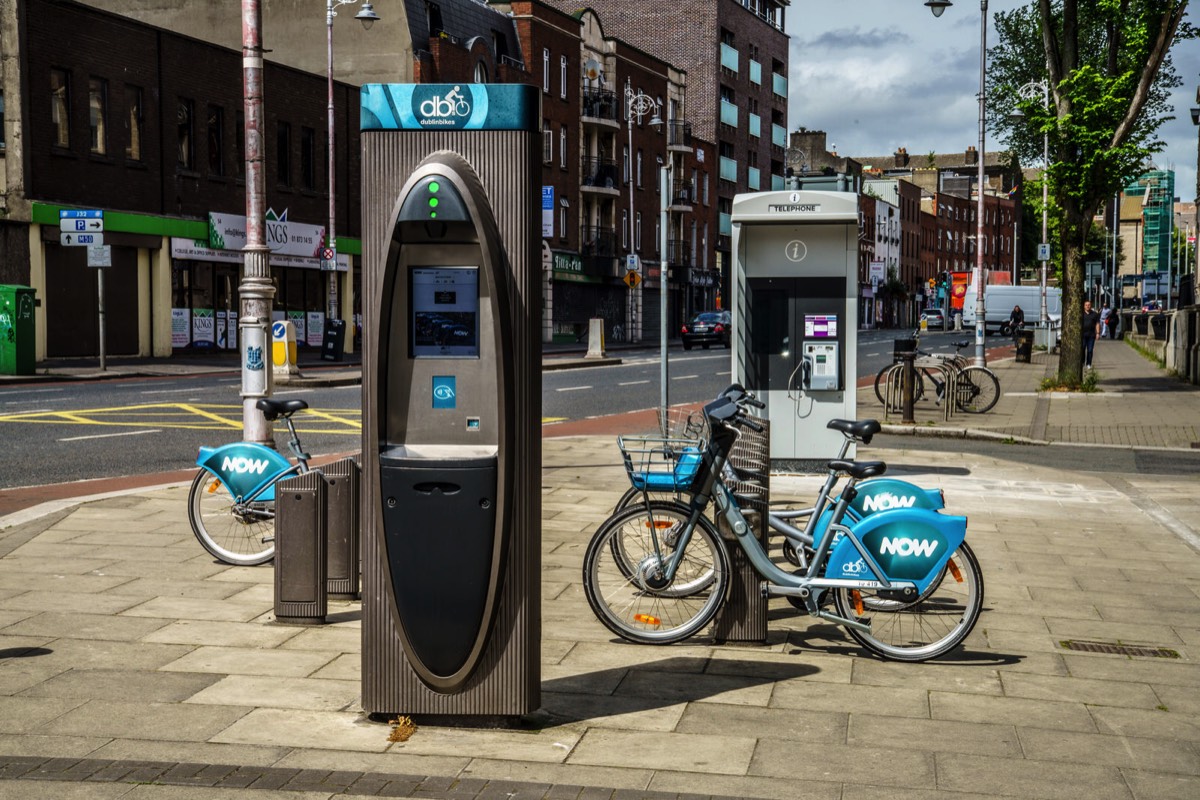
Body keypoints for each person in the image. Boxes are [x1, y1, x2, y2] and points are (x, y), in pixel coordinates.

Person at [1081, 299, 1102, 369]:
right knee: (1083, 348)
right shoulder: (1081, 314)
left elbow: (1097, 324)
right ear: (1084, 306)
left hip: (1091, 335)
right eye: (1086, 305)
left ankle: (1089, 363)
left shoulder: (1095, 314)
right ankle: (1082, 361)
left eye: (1089, 305)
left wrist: (1098, 333)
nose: (1087, 306)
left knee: (1090, 350)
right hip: (1083, 335)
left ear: (1091, 306)